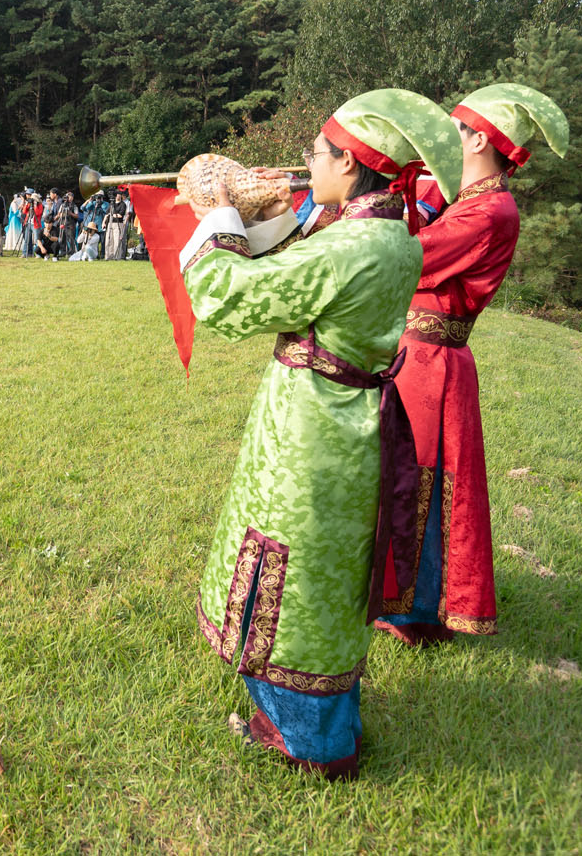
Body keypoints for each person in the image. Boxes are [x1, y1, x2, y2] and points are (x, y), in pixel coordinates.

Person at [180, 88, 456, 779]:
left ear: (350, 164)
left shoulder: (351, 247)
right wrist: (273, 212)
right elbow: (302, 272)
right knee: (328, 577)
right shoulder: (391, 234)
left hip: (312, 430)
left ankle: (309, 740)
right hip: (348, 420)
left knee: (293, 575)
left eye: (315, 153)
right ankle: (326, 724)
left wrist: (219, 212)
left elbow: (231, 296)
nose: (306, 163)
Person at [376, 83, 570, 648]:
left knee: (422, 483)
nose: (440, 142)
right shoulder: (463, 197)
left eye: (452, 132)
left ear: (480, 139)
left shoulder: (490, 210)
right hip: (416, 360)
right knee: (402, 476)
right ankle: (394, 598)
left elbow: (410, 256)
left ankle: (417, 611)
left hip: (433, 366)